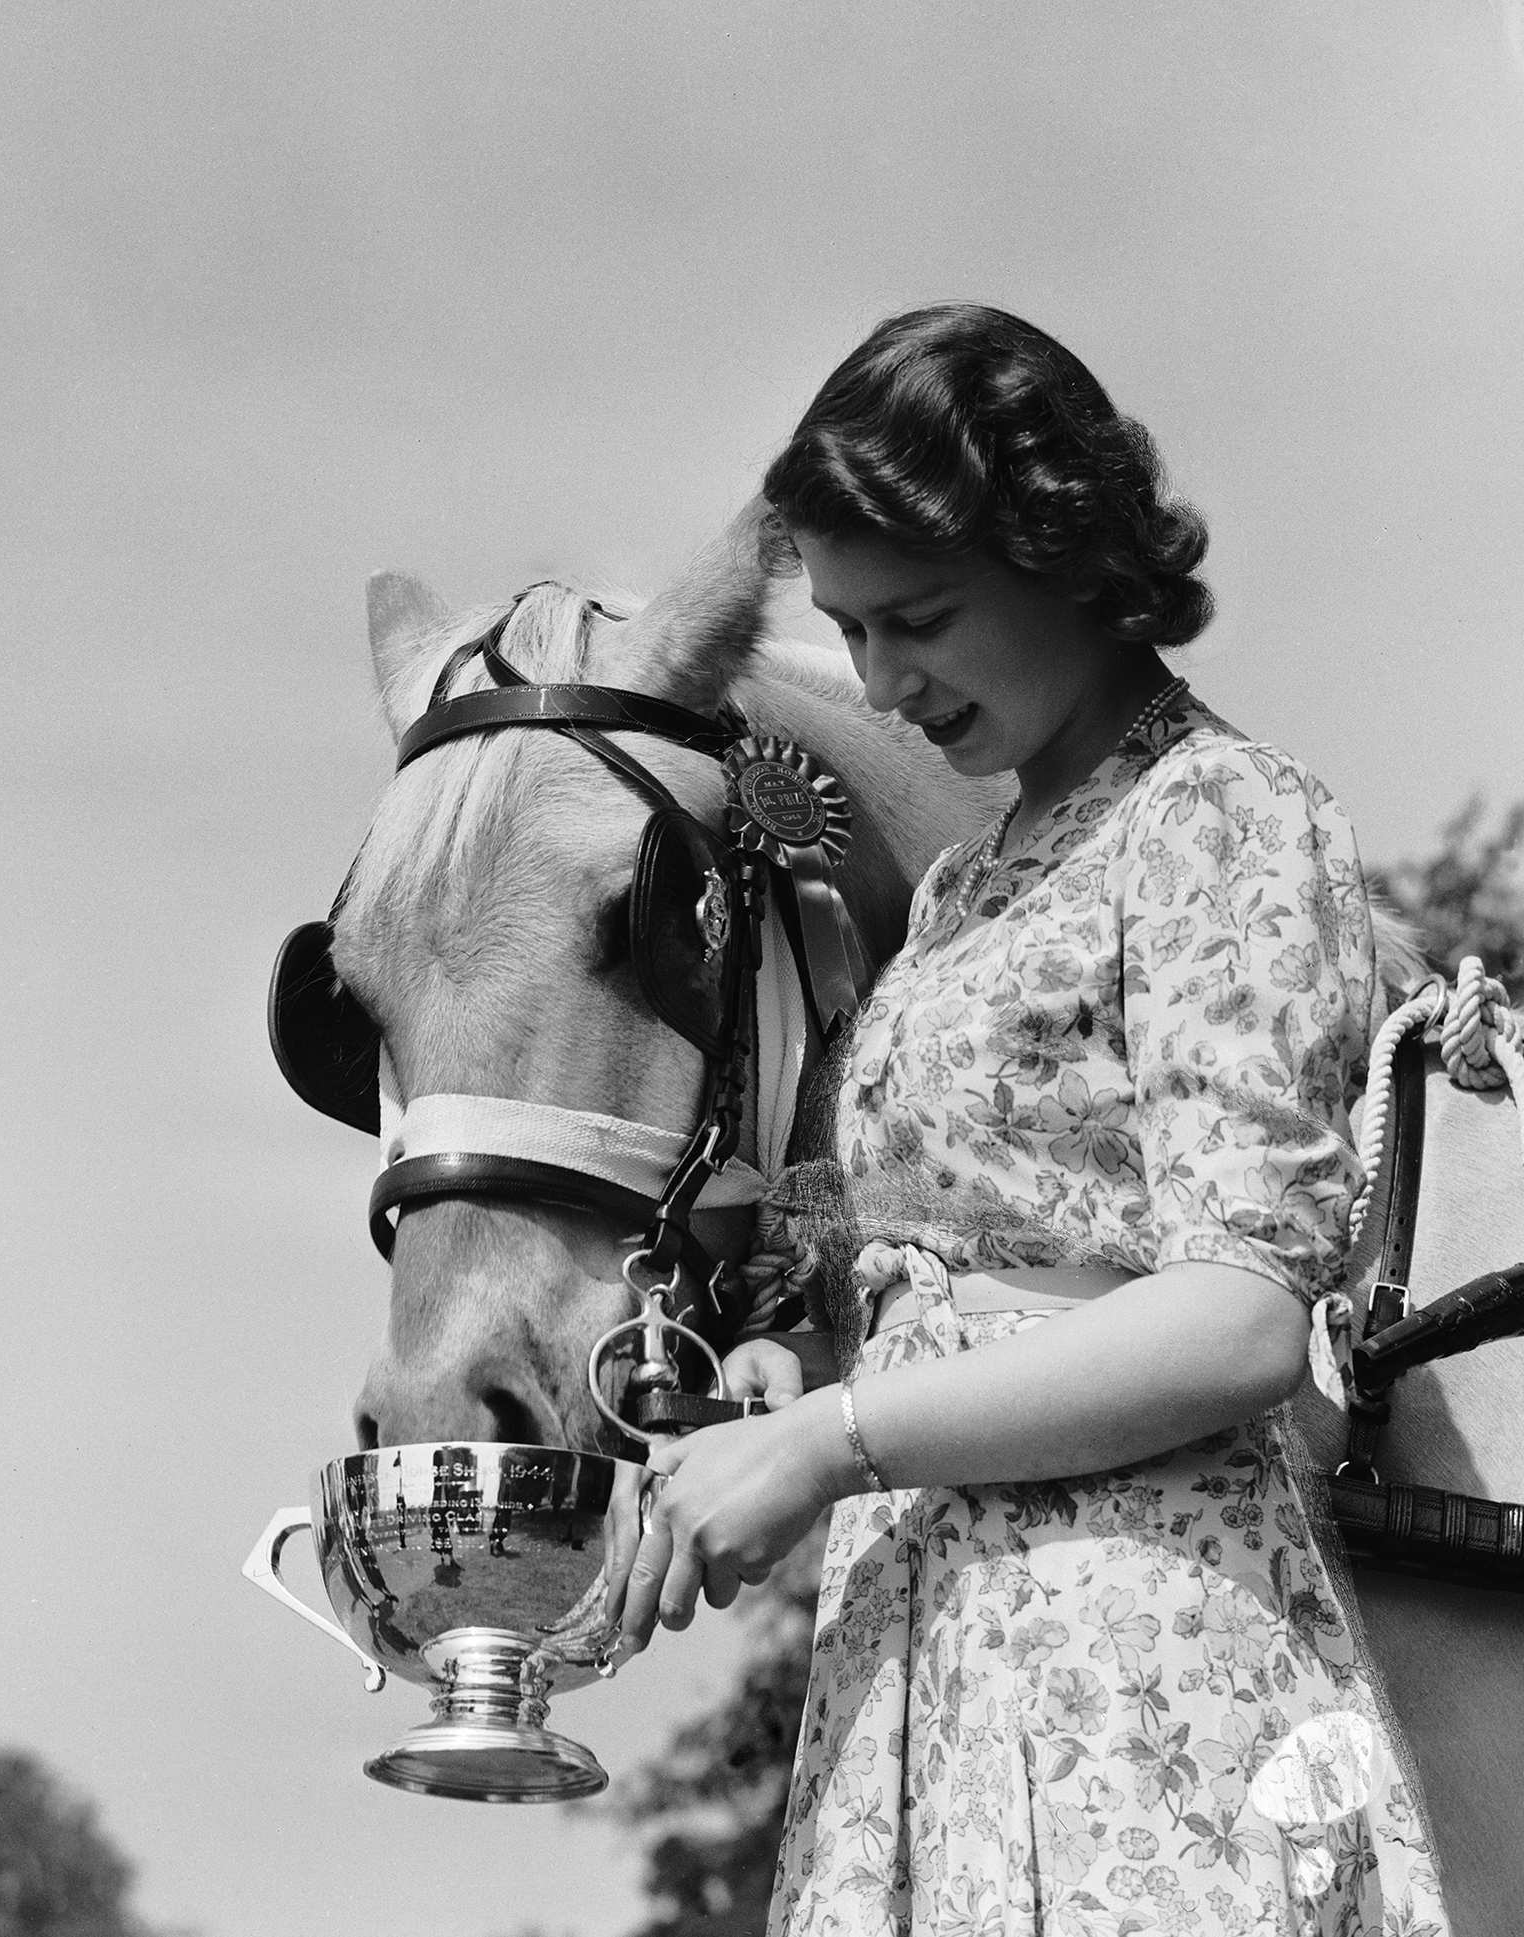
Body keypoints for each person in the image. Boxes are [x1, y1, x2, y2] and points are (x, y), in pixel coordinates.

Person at [606, 304, 1449, 1936]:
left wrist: (835, 1442)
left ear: (1063, 547)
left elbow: (1236, 1320)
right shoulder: (963, 884)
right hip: (925, 1649)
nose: (880, 682)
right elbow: (997, 1274)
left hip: (1133, 1655)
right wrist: (825, 1371)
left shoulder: (1220, 819)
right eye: (850, 633)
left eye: (915, 617)